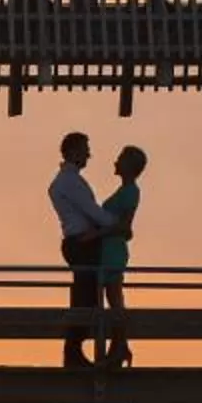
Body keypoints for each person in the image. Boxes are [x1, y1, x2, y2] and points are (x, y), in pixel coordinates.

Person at [48, 132, 106, 370]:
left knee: (86, 296)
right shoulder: (69, 181)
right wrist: (116, 224)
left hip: (79, 242)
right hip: (81, 243)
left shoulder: (66, 181)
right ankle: (73, 352)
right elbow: (92, 210)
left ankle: (74, 351)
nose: (88, 154)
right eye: (84, 149)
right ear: (72, 151)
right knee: (85, 298)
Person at [94, 144, 146, 369]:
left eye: (120, 158)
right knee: (111, 299)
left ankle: (119, 347)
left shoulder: (131, 191)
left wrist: (96, 233)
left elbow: (125, 226)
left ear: (130, 166)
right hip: (108, 249)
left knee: (114, 299)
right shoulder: (124, 190)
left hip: (113, 250)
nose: (115, 161)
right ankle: (118, 347)